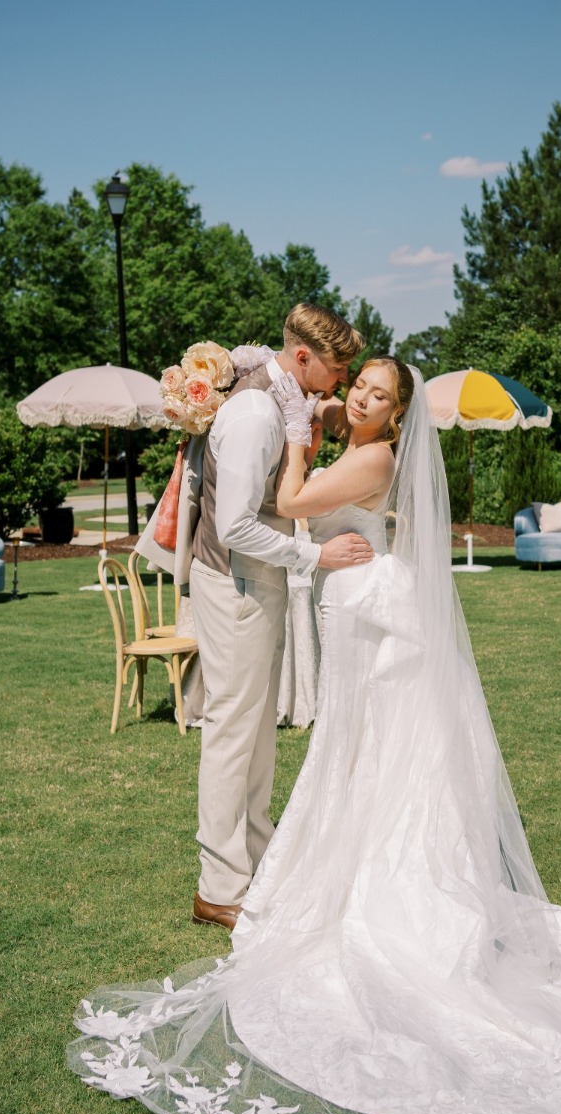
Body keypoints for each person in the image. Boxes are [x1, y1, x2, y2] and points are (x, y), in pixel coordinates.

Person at [68, 361, 561, 1114]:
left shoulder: (371, 458)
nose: (363, 400)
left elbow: (296, 503)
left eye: (377, 395)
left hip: (376, 613)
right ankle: (350, 871)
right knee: (364, 755)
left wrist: (299, 433)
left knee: (385, 758)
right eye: (359, 389)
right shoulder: (367, 449)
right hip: (364, 607)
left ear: (399, 416)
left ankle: (394, 892)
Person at [187, 304, 368, 932]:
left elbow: (311, 415)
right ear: (301, 358)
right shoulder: (258, 413)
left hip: (254, 584)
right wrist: (314, 554)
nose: (341, 381)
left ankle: (256, 866)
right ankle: (217, 886)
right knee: (232, 734)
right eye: (337, 368)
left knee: (258, 733)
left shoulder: (285, 398)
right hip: (234, 585)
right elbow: (235, 525)